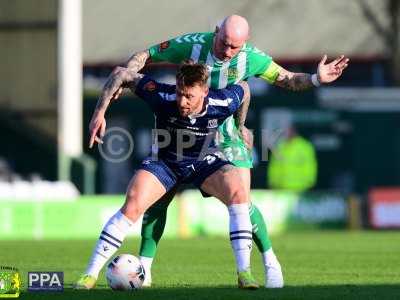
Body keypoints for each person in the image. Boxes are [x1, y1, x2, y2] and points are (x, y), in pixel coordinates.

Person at [85, 14, 349, 288]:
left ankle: (269, 261)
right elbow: (144, 57)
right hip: (181, 128)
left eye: (235, 46)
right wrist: (116, 91)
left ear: (245, 43)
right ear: (216, 33)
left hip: (225, 131)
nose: (227, 51)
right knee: (157, 200)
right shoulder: (194, 45)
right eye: (223, 42)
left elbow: (287, 80)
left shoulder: (253, 59)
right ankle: (146, 269)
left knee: (242, 200)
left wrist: (316, 79)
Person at [76, 61, 260, 289]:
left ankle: (244, 273)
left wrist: (241, 125)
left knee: (239, 192)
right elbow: (121, 74)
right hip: (165, 162)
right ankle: (90, 275)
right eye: (180, 93)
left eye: (189, 97)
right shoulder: (162, 95)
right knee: (132, 204)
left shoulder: (222, 101)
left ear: (205, 90)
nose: (182, 102)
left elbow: (245, 88)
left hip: (203, 161)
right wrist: (99, 113)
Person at [268, 126, 318, 191]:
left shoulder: (305, 146)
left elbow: (310, 165)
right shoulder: (280, 146)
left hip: (301, 188)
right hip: (281, 188)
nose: (286, 133)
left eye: (289, 131)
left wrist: (310, 181)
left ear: (294, 131)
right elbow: (274, 166)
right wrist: (272, 181)